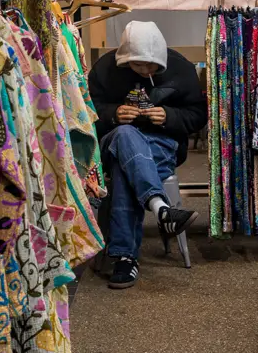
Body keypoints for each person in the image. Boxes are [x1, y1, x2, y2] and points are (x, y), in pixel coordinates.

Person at [88, 20, 207, 289]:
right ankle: (162, 209)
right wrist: (113, 114)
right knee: (126, 135)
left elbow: (199, 114)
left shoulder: (181, 68)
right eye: (137, 65)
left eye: (150, 65)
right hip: (114, 139)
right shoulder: (105, 69)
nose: (144, 70)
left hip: (161, 144)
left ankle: (125, 258)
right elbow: (86, 110)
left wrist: (169, 116)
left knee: (122, 169)